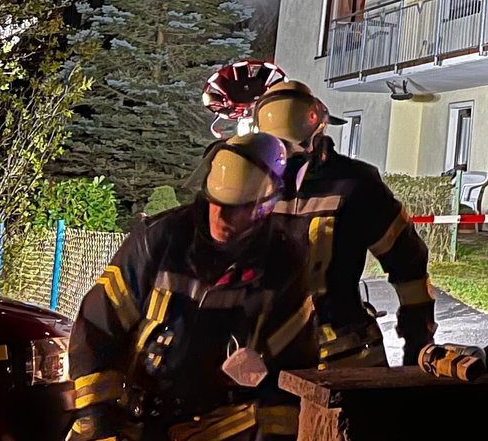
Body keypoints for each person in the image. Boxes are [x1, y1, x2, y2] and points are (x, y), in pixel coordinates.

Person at [66, 133, 313, 441]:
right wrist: (99, 422)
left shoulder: (283, 268)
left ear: (265, 206)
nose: (221, 214)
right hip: (133, 423)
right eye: (216, 200)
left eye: (236, 206)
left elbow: (292, 379)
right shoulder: (159, 241)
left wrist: (238, 426)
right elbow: (97, 328)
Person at [253, 81, 436, 369]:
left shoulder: (355, 185)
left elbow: (407, 262)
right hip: (263, 358)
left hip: (340, 357)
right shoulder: (251, 185)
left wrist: (418, 345)